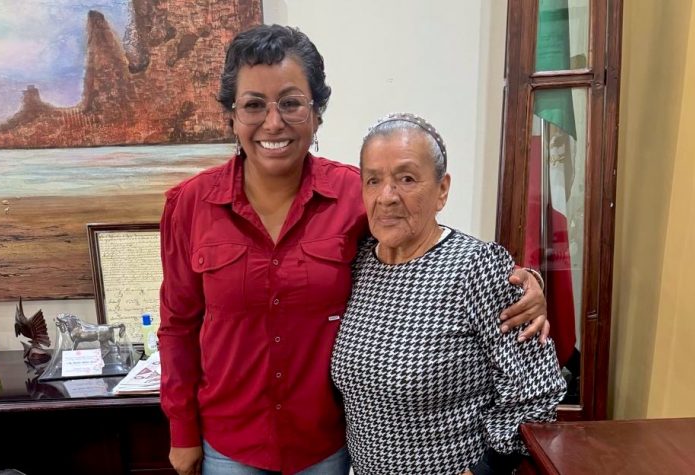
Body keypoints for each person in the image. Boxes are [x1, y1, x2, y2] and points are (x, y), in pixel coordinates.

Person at [158, 25, 549, 475]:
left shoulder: (354, 193)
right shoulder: (190, 205)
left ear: (317, 114)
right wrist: (182, 431)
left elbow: (425, 243)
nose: (273, 122)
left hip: (324, 447)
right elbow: (177, 327)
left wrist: (523, 282)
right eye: (253, 105)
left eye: (291, 103)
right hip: (231, 445)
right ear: (231, 115)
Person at [330, 113, 567, 475]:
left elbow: (536, 390)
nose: (386, 197)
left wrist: (483, 471)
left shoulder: (477, 267)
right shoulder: (359, 262)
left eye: (407, 179)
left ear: (442, 190)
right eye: (373, 180)